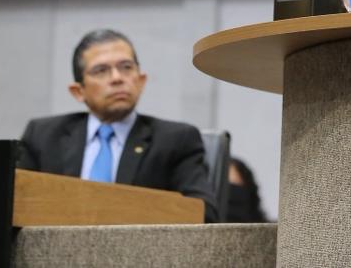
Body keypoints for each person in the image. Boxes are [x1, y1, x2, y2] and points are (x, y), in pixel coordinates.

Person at [16, 29, 218, 221]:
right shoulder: (43, 136)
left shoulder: (176, 140)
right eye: (101, 70)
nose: (117, 78)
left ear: (141, 81)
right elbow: (15, 205)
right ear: (78, 91)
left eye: (126, 67)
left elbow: (204, 213)